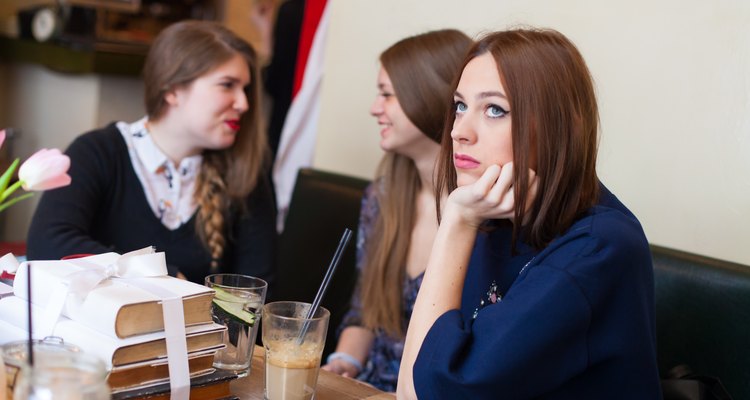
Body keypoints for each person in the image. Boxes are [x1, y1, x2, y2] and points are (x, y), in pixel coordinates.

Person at [397, 28, 661, 399]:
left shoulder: (599, 249)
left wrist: (456, 223)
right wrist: (461, 220)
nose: (459, 131)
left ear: (556, 126)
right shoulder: (493, 215)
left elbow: (430, 393)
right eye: (460, 105)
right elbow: (411, 386)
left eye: (494, 109)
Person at [26, 20, 276, 288]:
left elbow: (257, 291)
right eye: (227, 85)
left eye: (246, 89)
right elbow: (47, 245)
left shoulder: (247, 172)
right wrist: (159, 274)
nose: (244, 103)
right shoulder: (98, 152)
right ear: (172, 90)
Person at [320, 29, 472, 392]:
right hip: (368, 388)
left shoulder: (485, 215)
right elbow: (366, 311)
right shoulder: (382, 196)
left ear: (430, 94)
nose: (375, 108)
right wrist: (345, 361)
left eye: (387, 94)